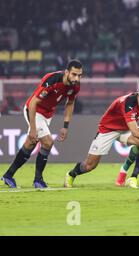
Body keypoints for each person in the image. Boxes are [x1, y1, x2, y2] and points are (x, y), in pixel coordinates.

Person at [64, 81, 139, 188]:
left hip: (125, 129)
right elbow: (135, 132)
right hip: (108, 130)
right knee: (89, 166)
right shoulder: (129, 103)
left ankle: (133, 178)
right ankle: (71, 174)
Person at [1, 60, 83, 188]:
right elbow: (34, 103)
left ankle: (8, 175)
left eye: (79, 75)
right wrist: (33, 128)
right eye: (74, 74)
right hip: (34, 110)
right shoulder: (52, 80)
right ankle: (38, 180)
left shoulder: (75, 86)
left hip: (47, 115)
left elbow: (70, 104)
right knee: (48, 142)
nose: (77, 78)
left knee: (30, 143)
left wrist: (65, 126)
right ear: (66, 72)